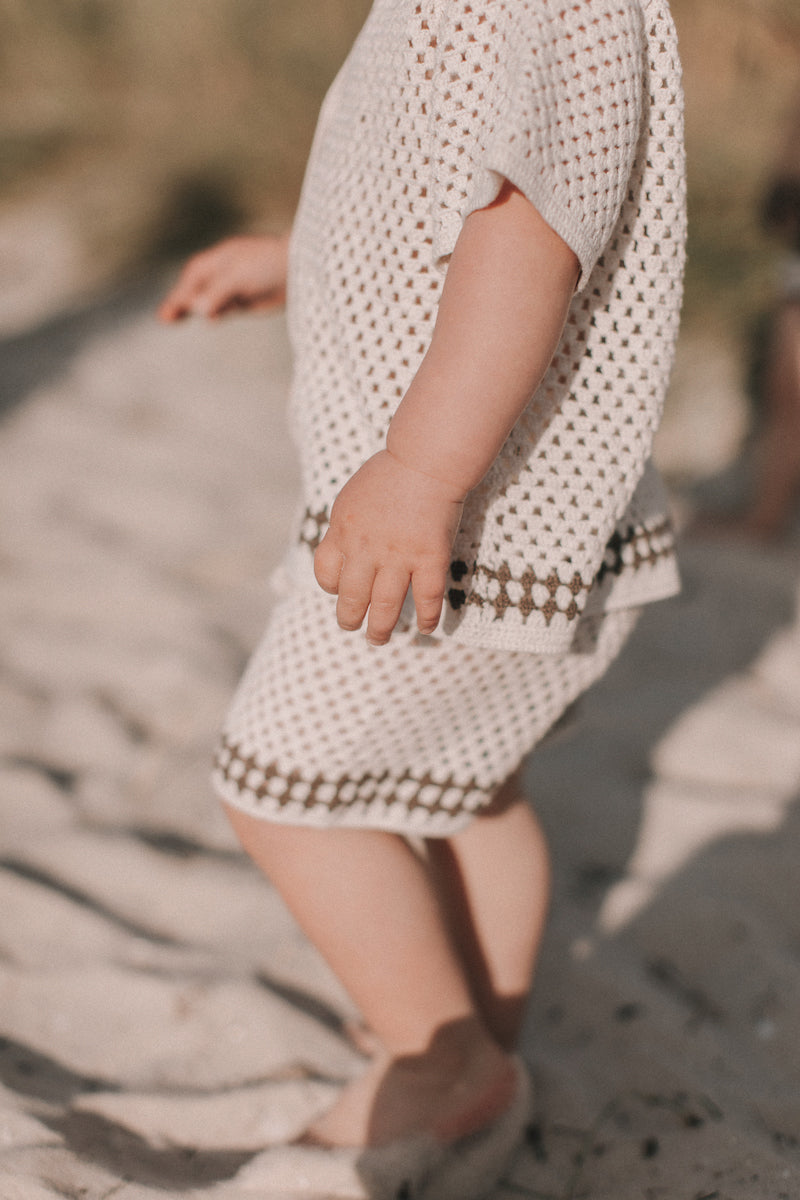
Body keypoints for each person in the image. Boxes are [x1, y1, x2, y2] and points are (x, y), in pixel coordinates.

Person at [160, 2, 686, 1196]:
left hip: (477, 515)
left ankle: (436, 1058)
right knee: (466, 786)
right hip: (516, 512)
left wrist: (419, 474)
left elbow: (530, 239)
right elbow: (426, 187)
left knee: (283, 786)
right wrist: (294, 253)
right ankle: (476, 1038)